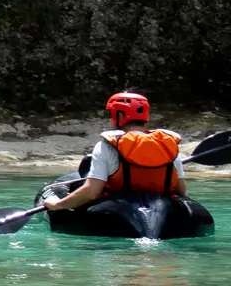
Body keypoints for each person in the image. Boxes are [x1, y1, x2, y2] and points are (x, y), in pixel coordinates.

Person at [43, 91, 185, 213]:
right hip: (161, 208)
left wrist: (57, 205)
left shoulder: (107, 145)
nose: (110, 119)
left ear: (120, 116)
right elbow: (181, 191)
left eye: (111, 114)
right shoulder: (167, 143)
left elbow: (92, 193)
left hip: (117, 210)